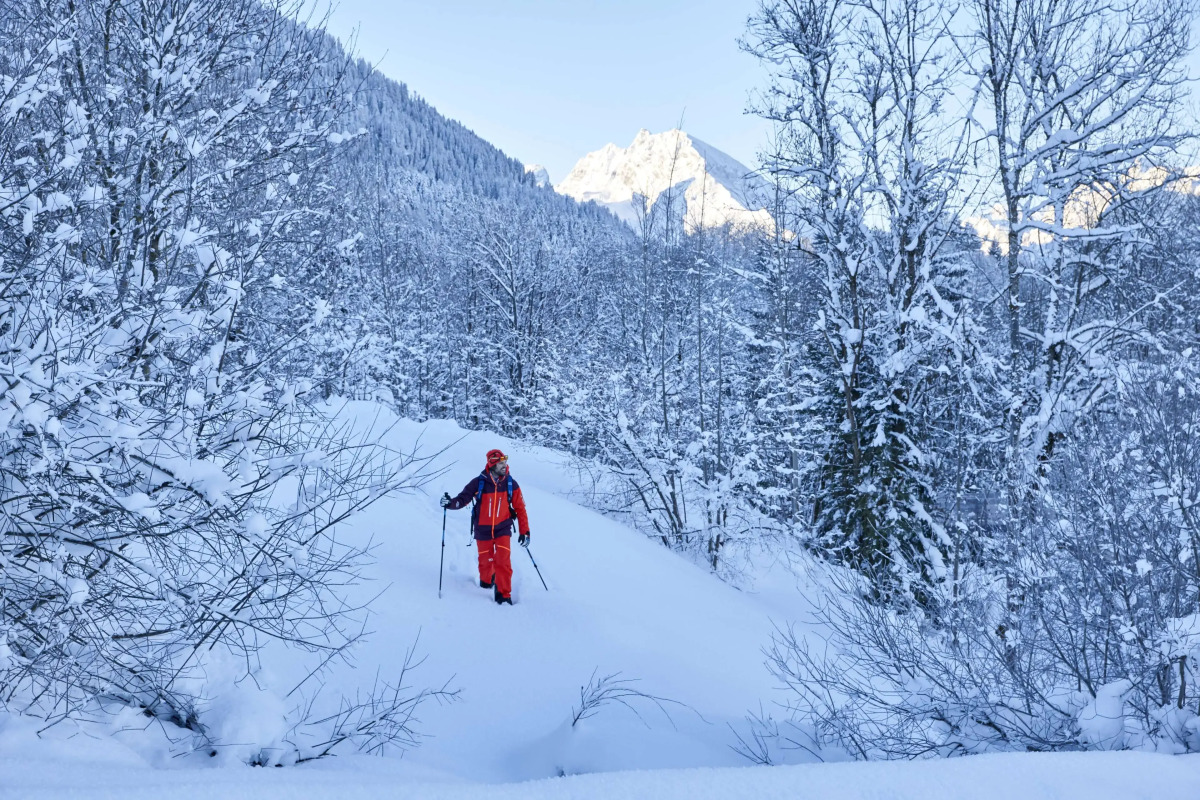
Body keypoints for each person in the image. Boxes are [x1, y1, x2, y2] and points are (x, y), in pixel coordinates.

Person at [441, 448, 531, 605]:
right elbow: (462, 499)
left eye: (505, 462)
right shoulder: (478, 482)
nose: (504, 466)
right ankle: (487, 582)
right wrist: (449, 503)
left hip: (503, 528)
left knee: (503, 562)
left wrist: (525, 532)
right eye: (501, 463)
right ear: (492, 464)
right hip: (482, 530)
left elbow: (520, 509)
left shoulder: (511, 483)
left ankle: (503, 595)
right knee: (485, 562)